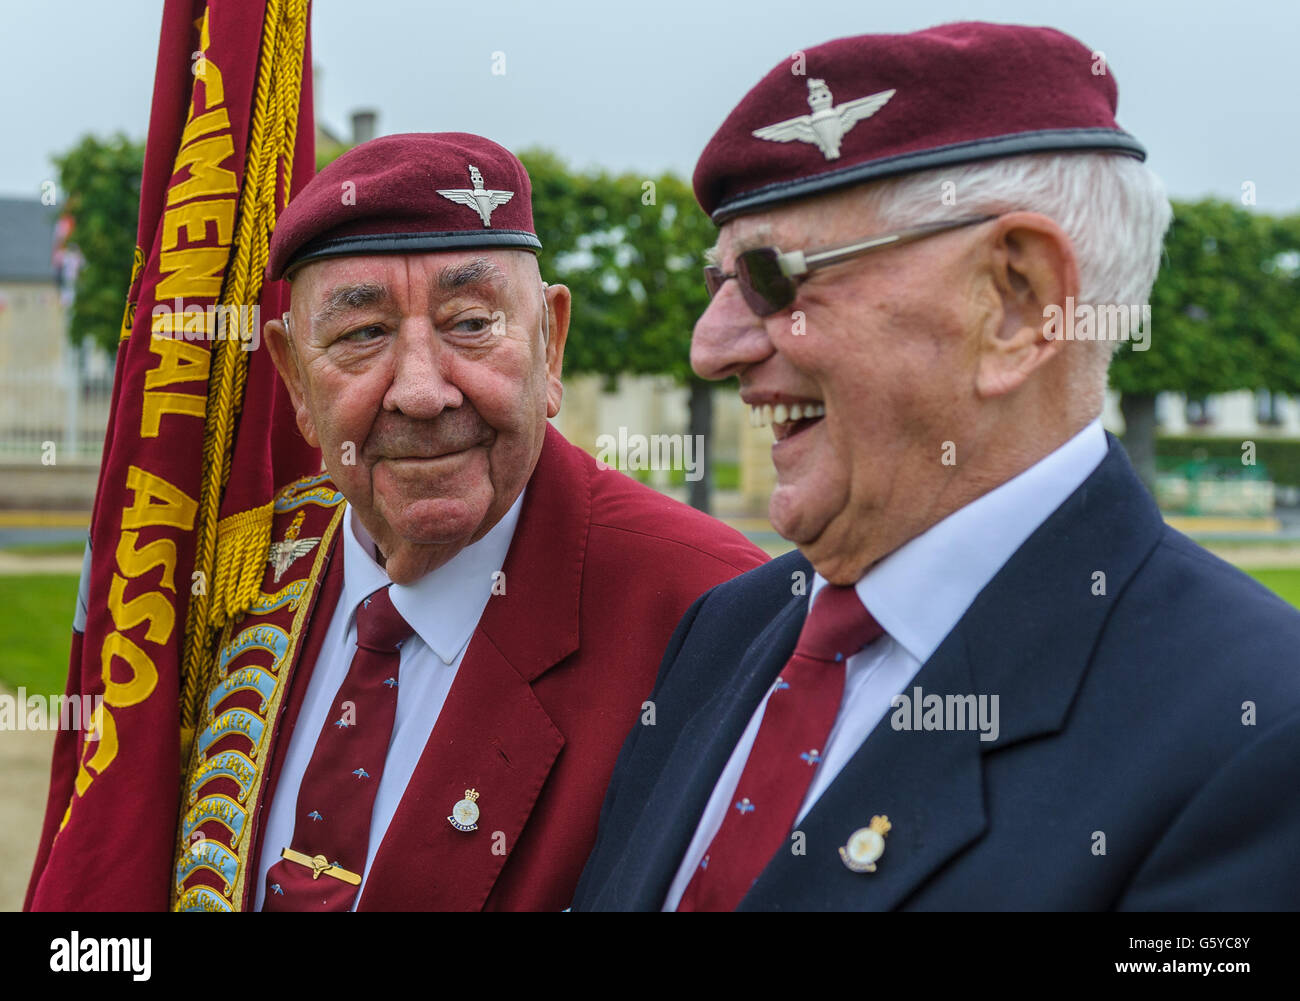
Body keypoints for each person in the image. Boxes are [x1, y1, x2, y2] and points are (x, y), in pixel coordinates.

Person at [572, 22, 1300, 910]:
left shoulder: (1257, 732)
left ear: (1018, 301)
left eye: (773, 277)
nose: (709, 346)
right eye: (716, 280)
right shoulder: (735, 623)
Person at [172, 132, 767, 912]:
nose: (422, 391)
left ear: (550, 344)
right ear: (291, 378)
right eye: (363, 334)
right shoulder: (236, 585)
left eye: (471, 323)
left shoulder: (717, 619)